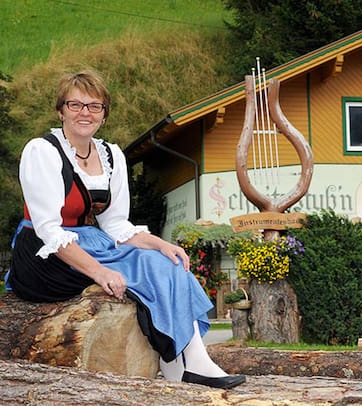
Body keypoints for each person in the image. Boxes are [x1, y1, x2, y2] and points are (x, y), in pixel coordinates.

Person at [5, 70, 246, 390]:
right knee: (147, 267)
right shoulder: (43, 151)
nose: (84, 113)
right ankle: (181, 361)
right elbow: (49, 229)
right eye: (75, 104)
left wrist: (160, 244)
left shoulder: (111, 156)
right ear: (60, 110)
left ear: (104, 114)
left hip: (91, 241)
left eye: (94, 106)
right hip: (43, 254)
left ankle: (185, 361)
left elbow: (116, 224)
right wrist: (100, 272)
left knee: (168, 262)